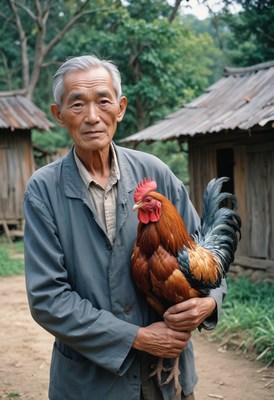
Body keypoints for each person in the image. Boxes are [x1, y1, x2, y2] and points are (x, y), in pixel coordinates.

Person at [24, 55, 227, 400]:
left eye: (103, 101)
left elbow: (207, 250)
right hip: (91, 384)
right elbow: (48, 299)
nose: (92, 116)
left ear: (120, 108)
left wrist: (210, 303)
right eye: (77, 104)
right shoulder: (43, 190)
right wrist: (136, 337)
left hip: (168, 380)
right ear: (59, 115)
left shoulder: (156, 171)